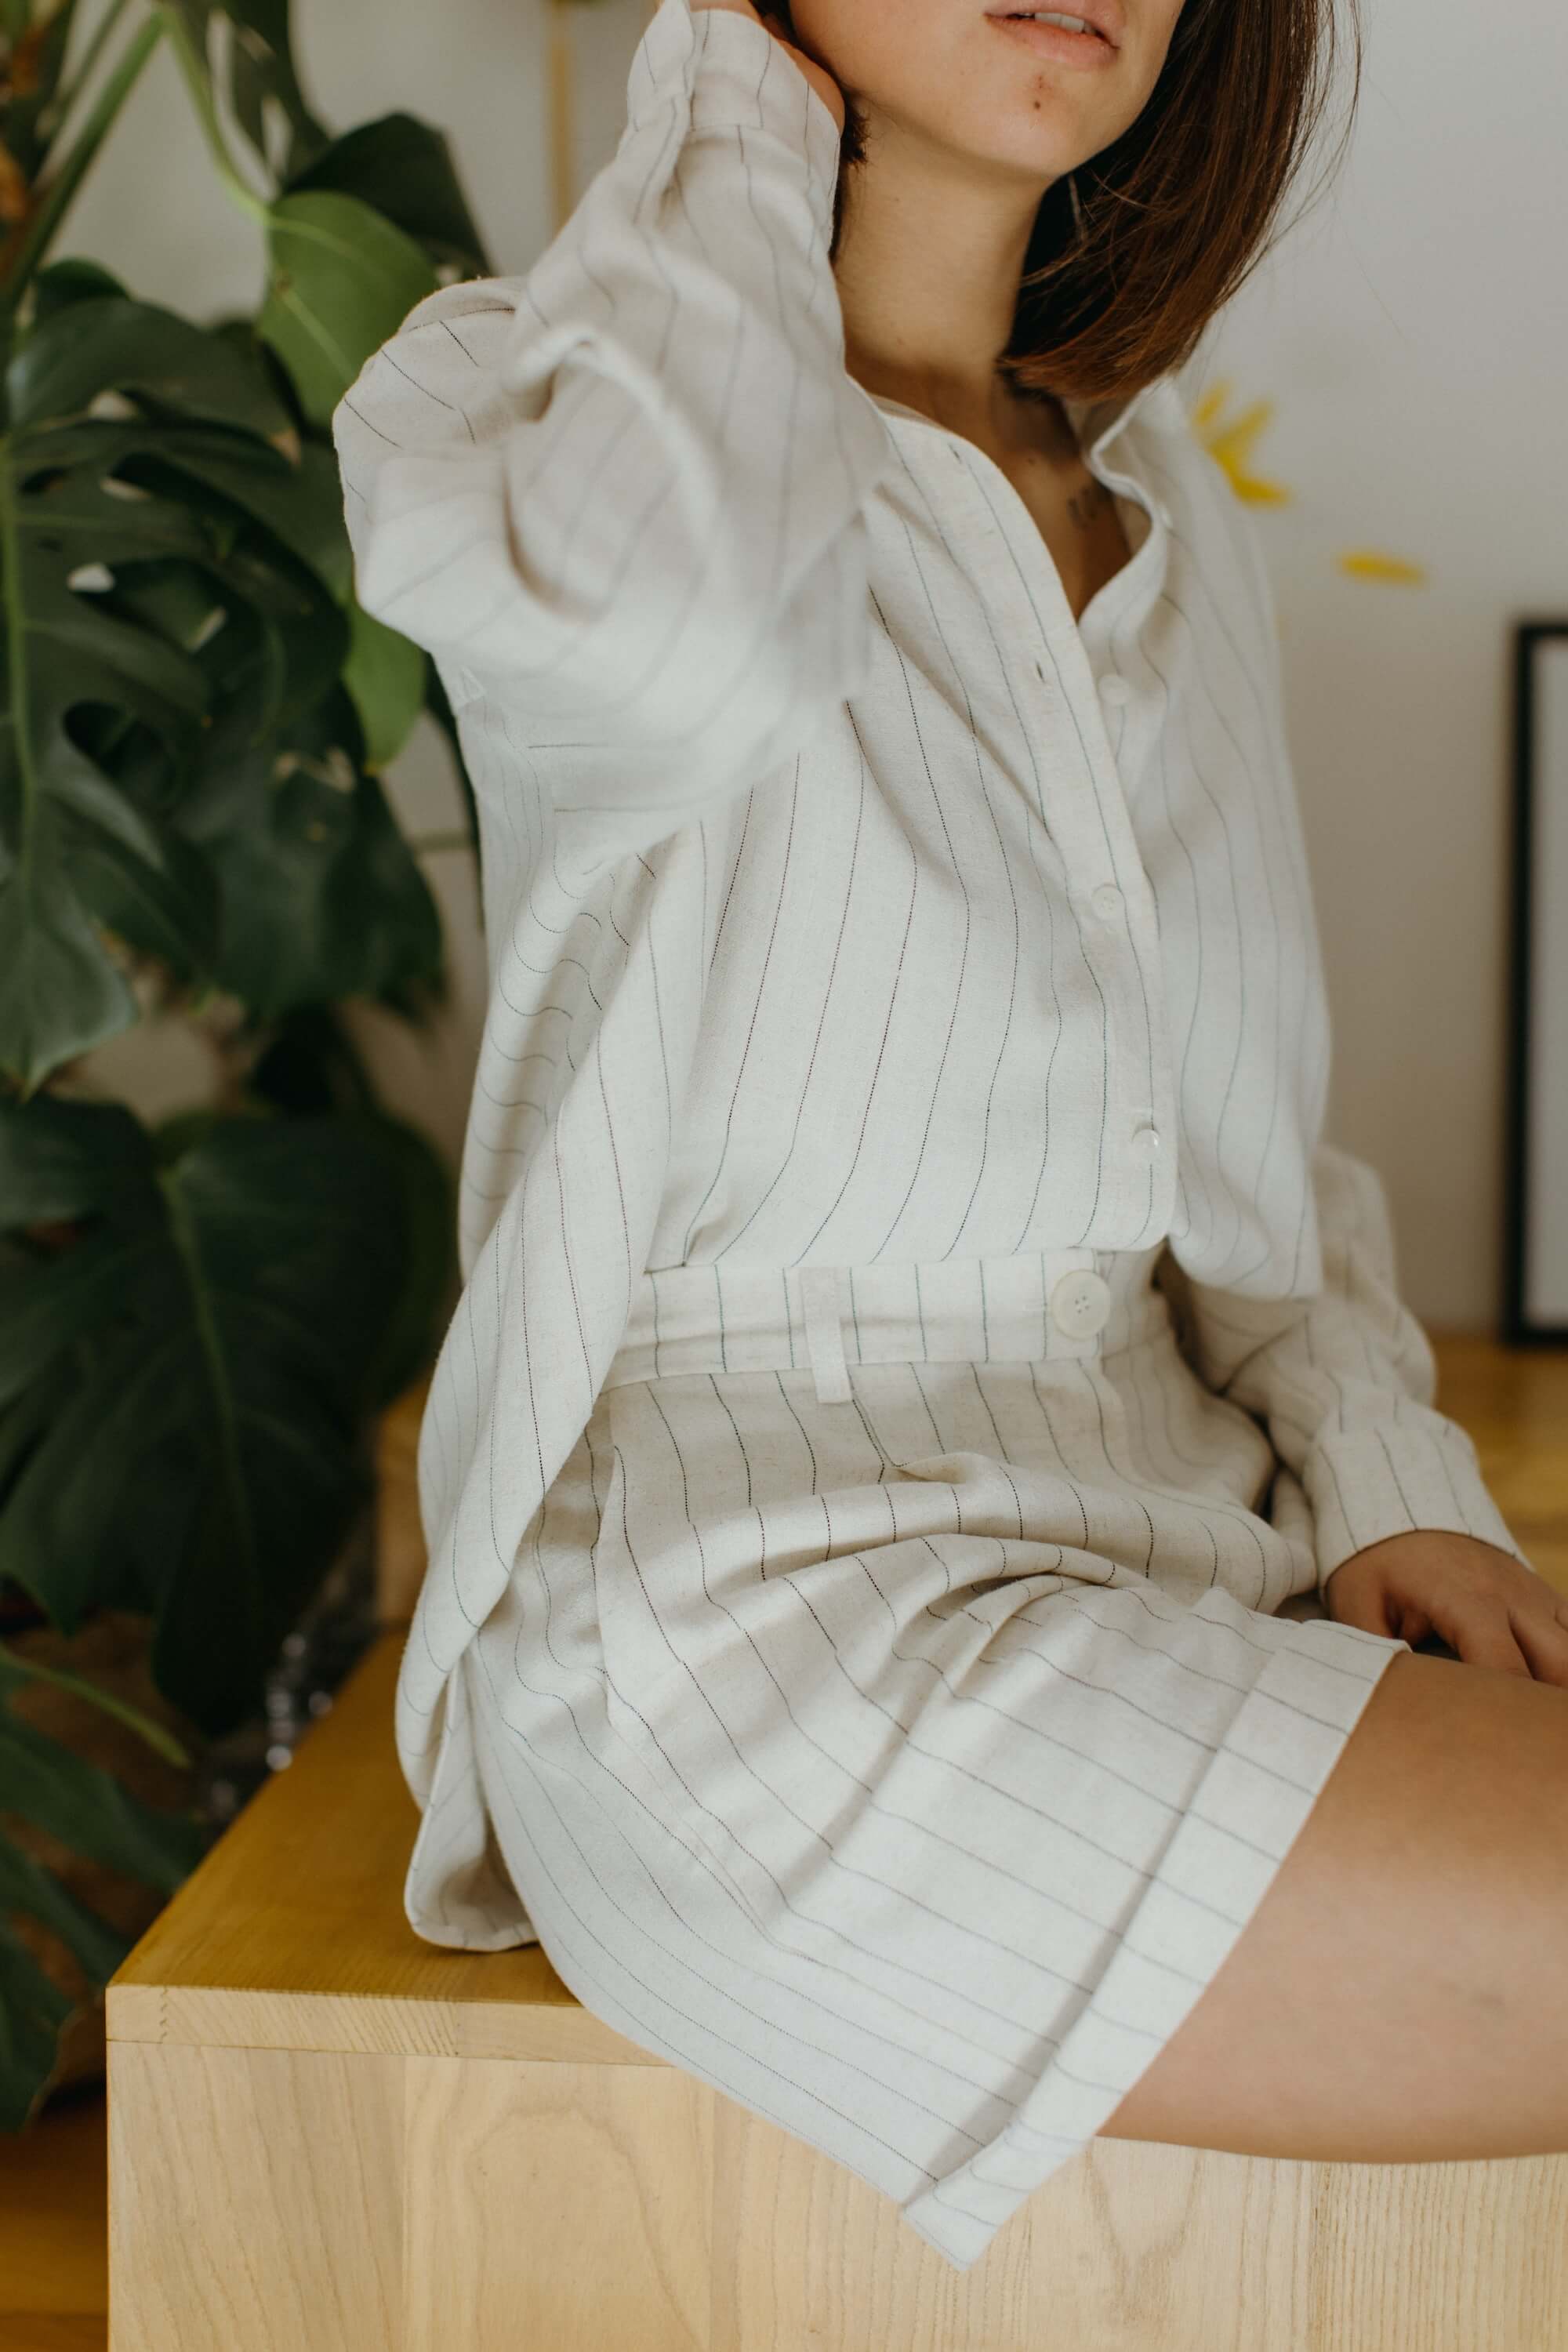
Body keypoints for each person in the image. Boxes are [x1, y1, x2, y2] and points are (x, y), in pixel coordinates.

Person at [331, 0, 1568, 2274]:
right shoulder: (504, 401)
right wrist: (737, 81)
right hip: (763, 1636)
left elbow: (1247, 1167)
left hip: (1187, 1532)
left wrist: (1390, 1475)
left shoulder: (1169, 516)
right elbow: (669, 629)